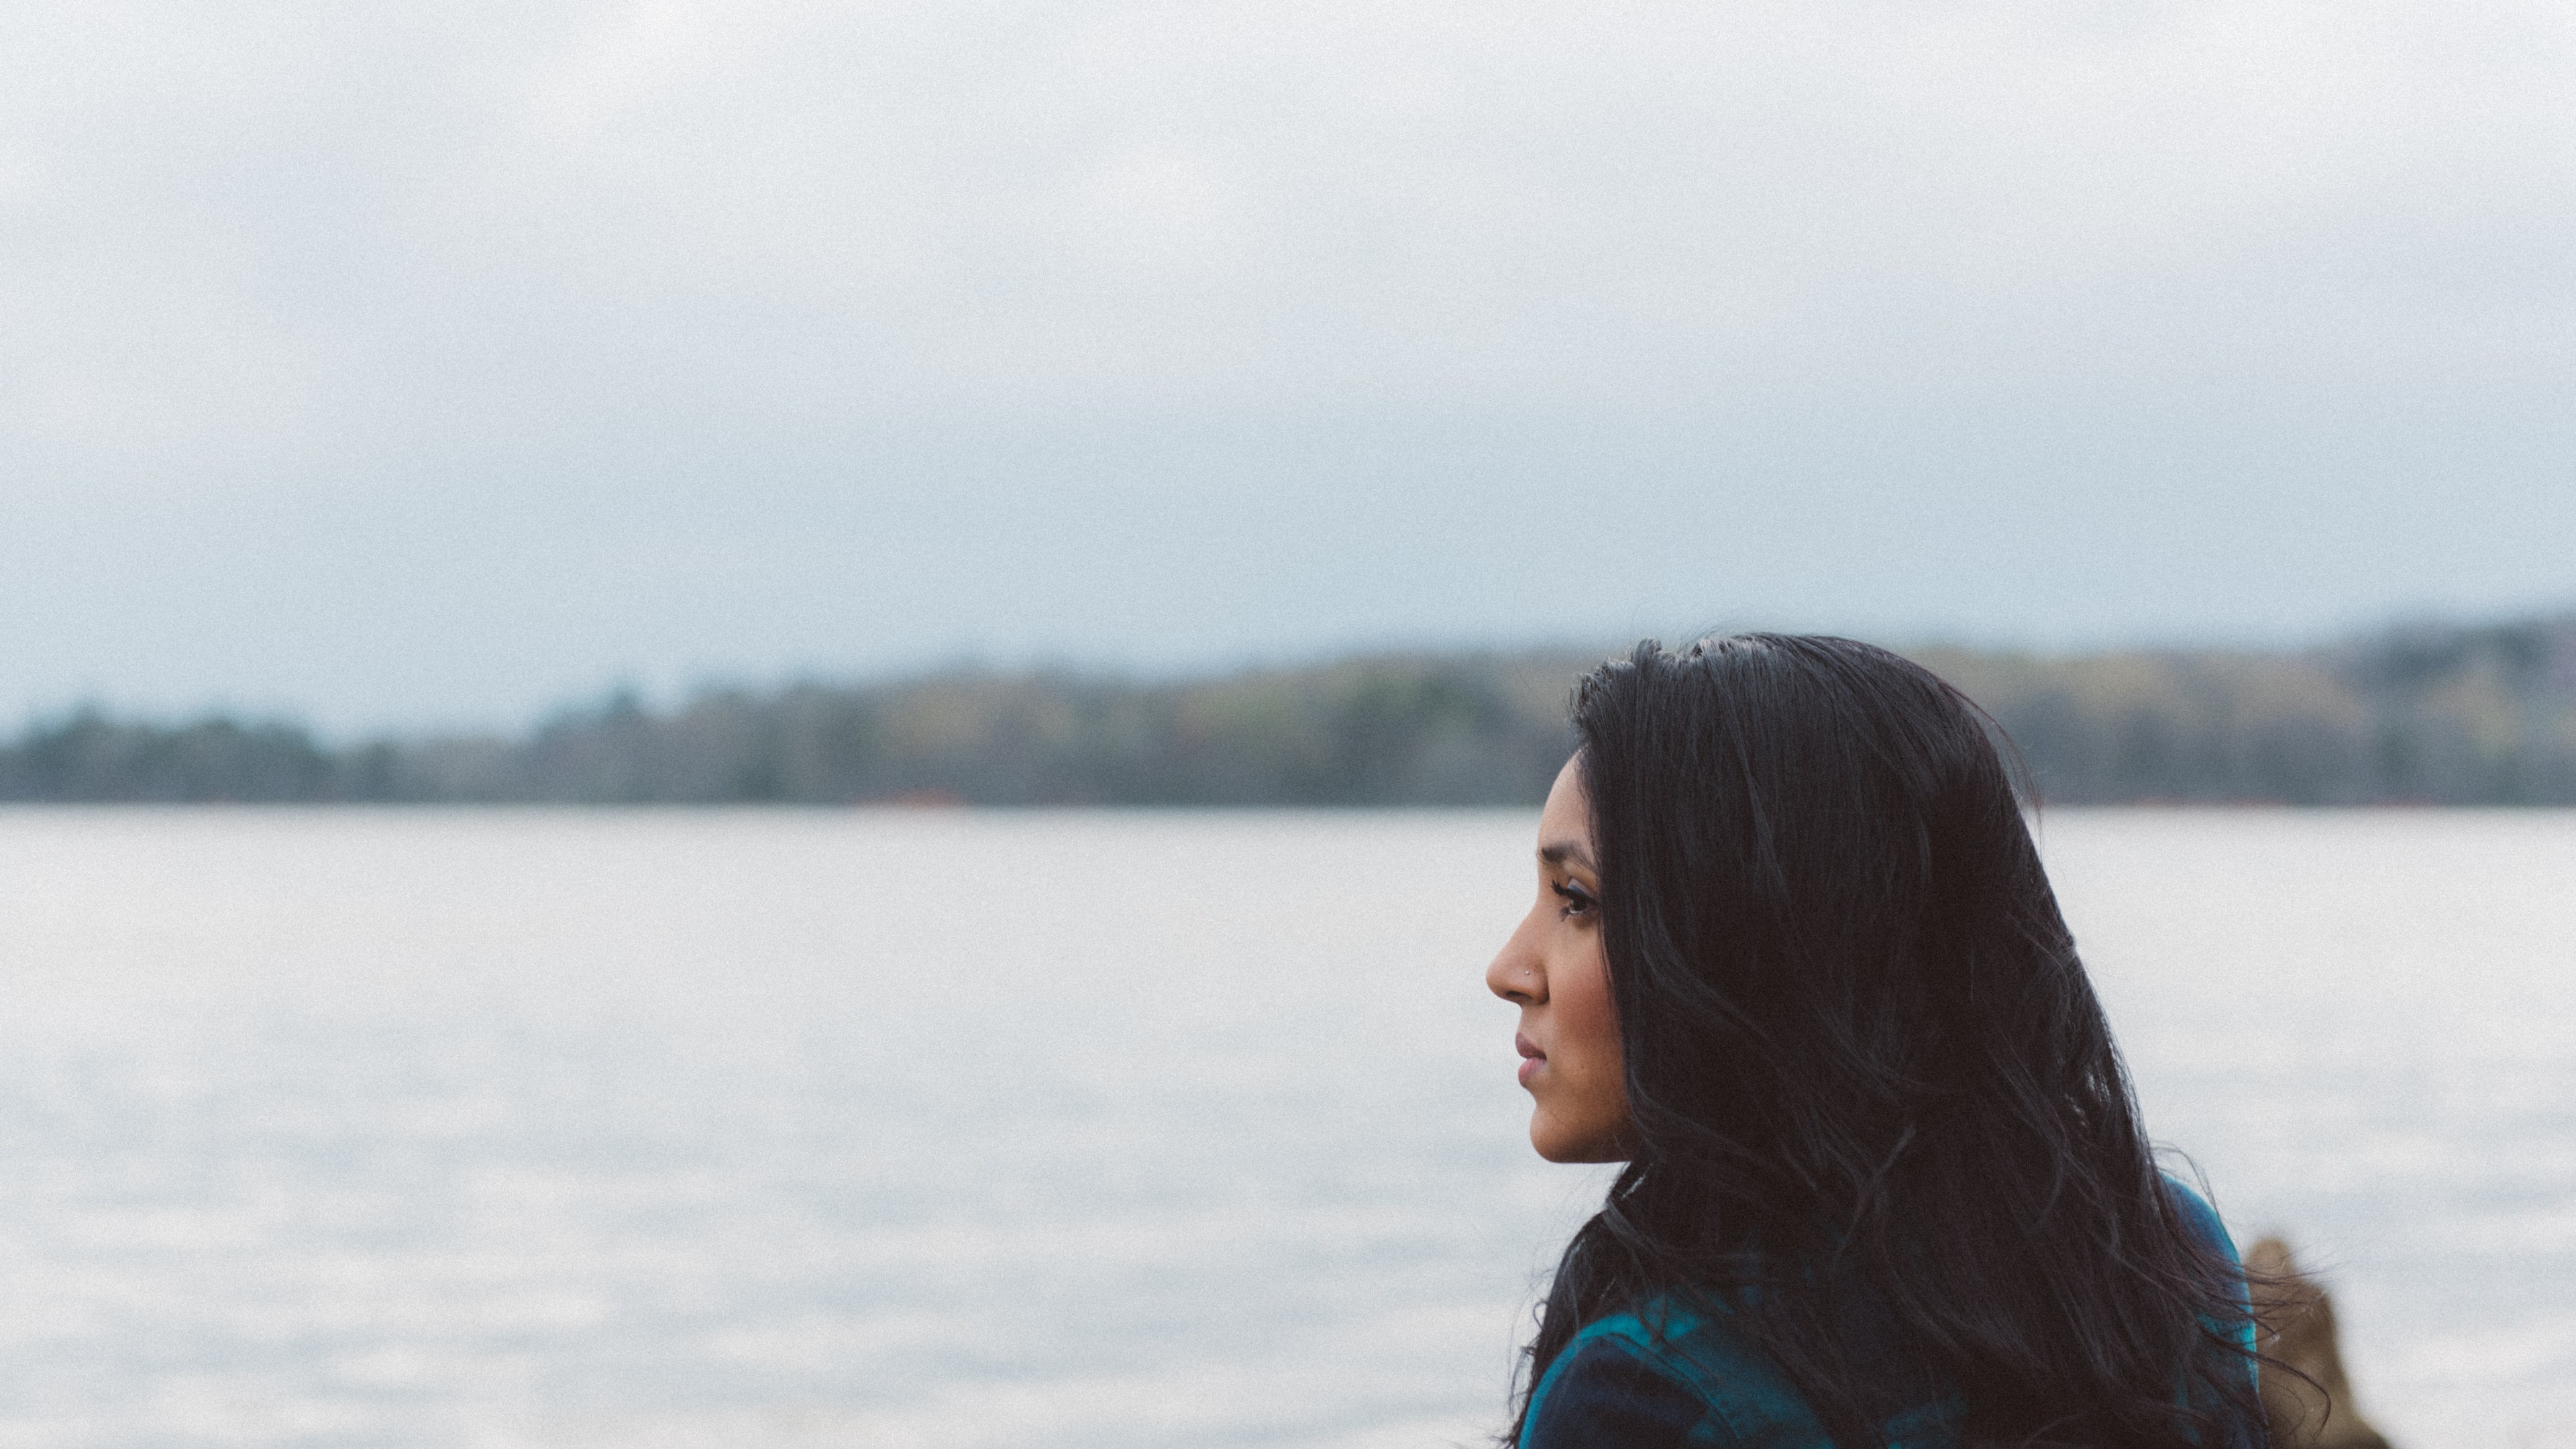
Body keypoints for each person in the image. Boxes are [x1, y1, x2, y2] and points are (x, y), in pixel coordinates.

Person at [1485, 635, 2265, 1449]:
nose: (1508, 970)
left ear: (1760, 942)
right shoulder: (2156, 1256)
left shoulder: (1646, 1399)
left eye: (1577, 900)